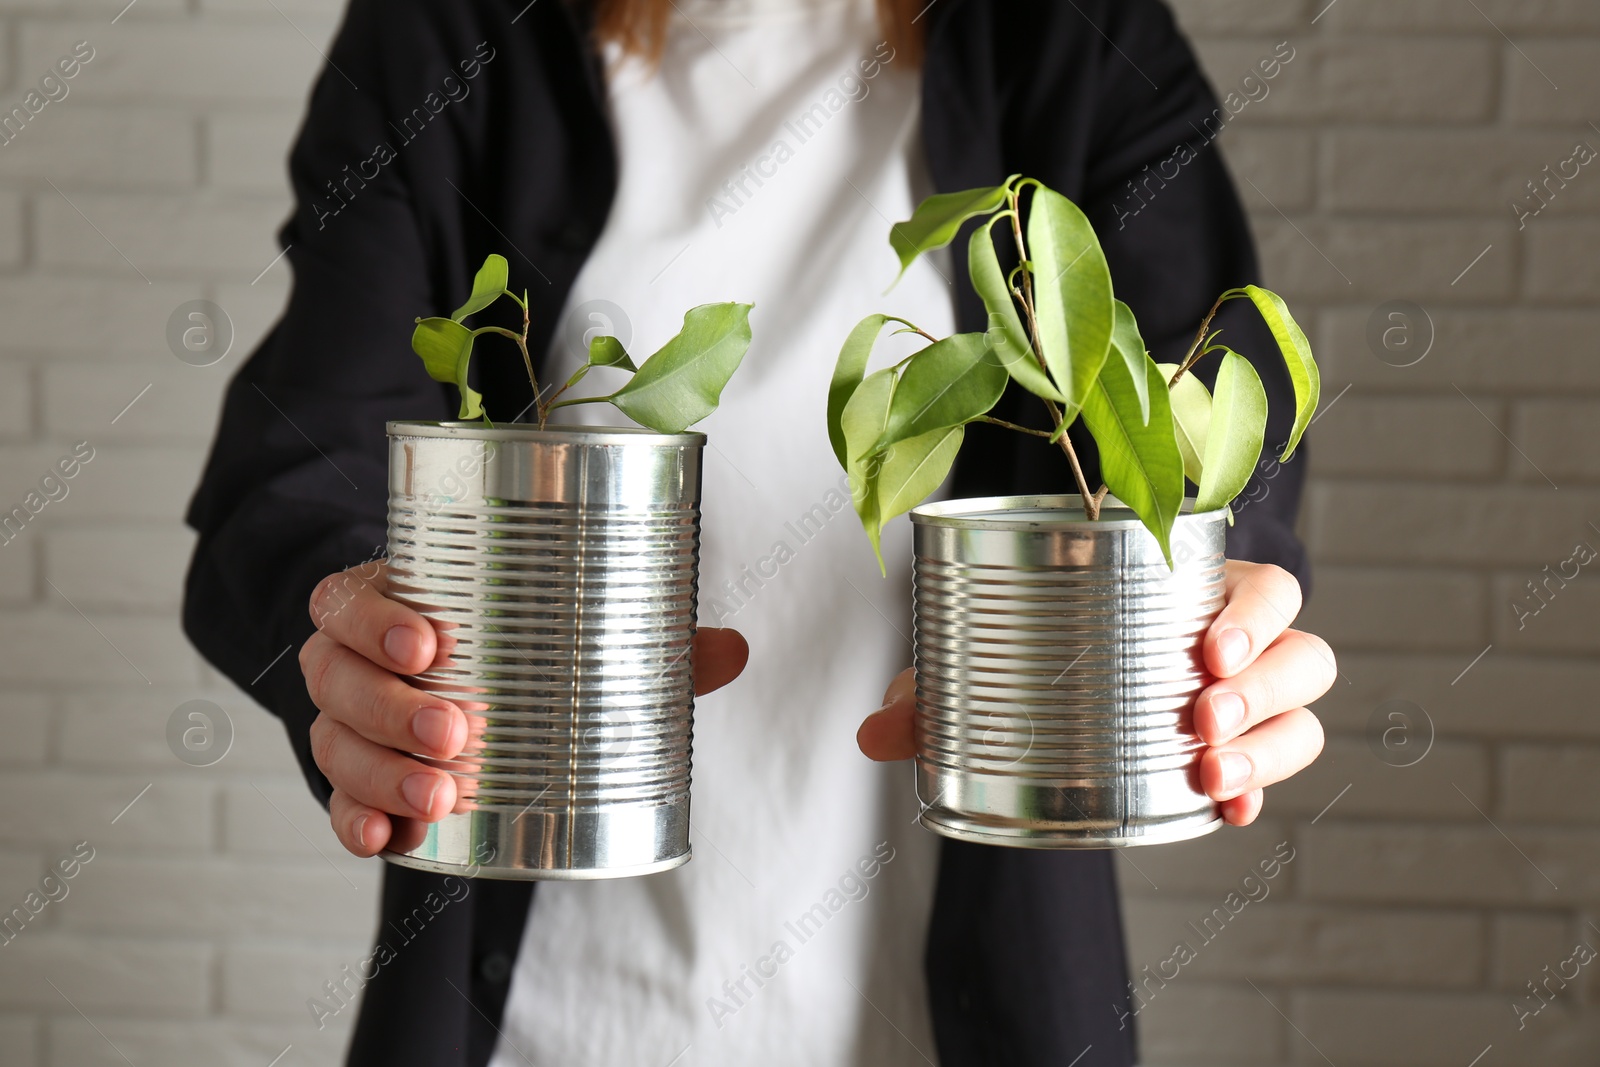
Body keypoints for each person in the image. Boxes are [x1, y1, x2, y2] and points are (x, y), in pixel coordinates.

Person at [182, 1, 1335, 1065]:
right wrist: (353, 638)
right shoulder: (448, 28)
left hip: (959, 1011)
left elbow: (1208, 409)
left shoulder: (1065, 30)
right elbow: (295, 462)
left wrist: (1222, 603)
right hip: (545, 1018)